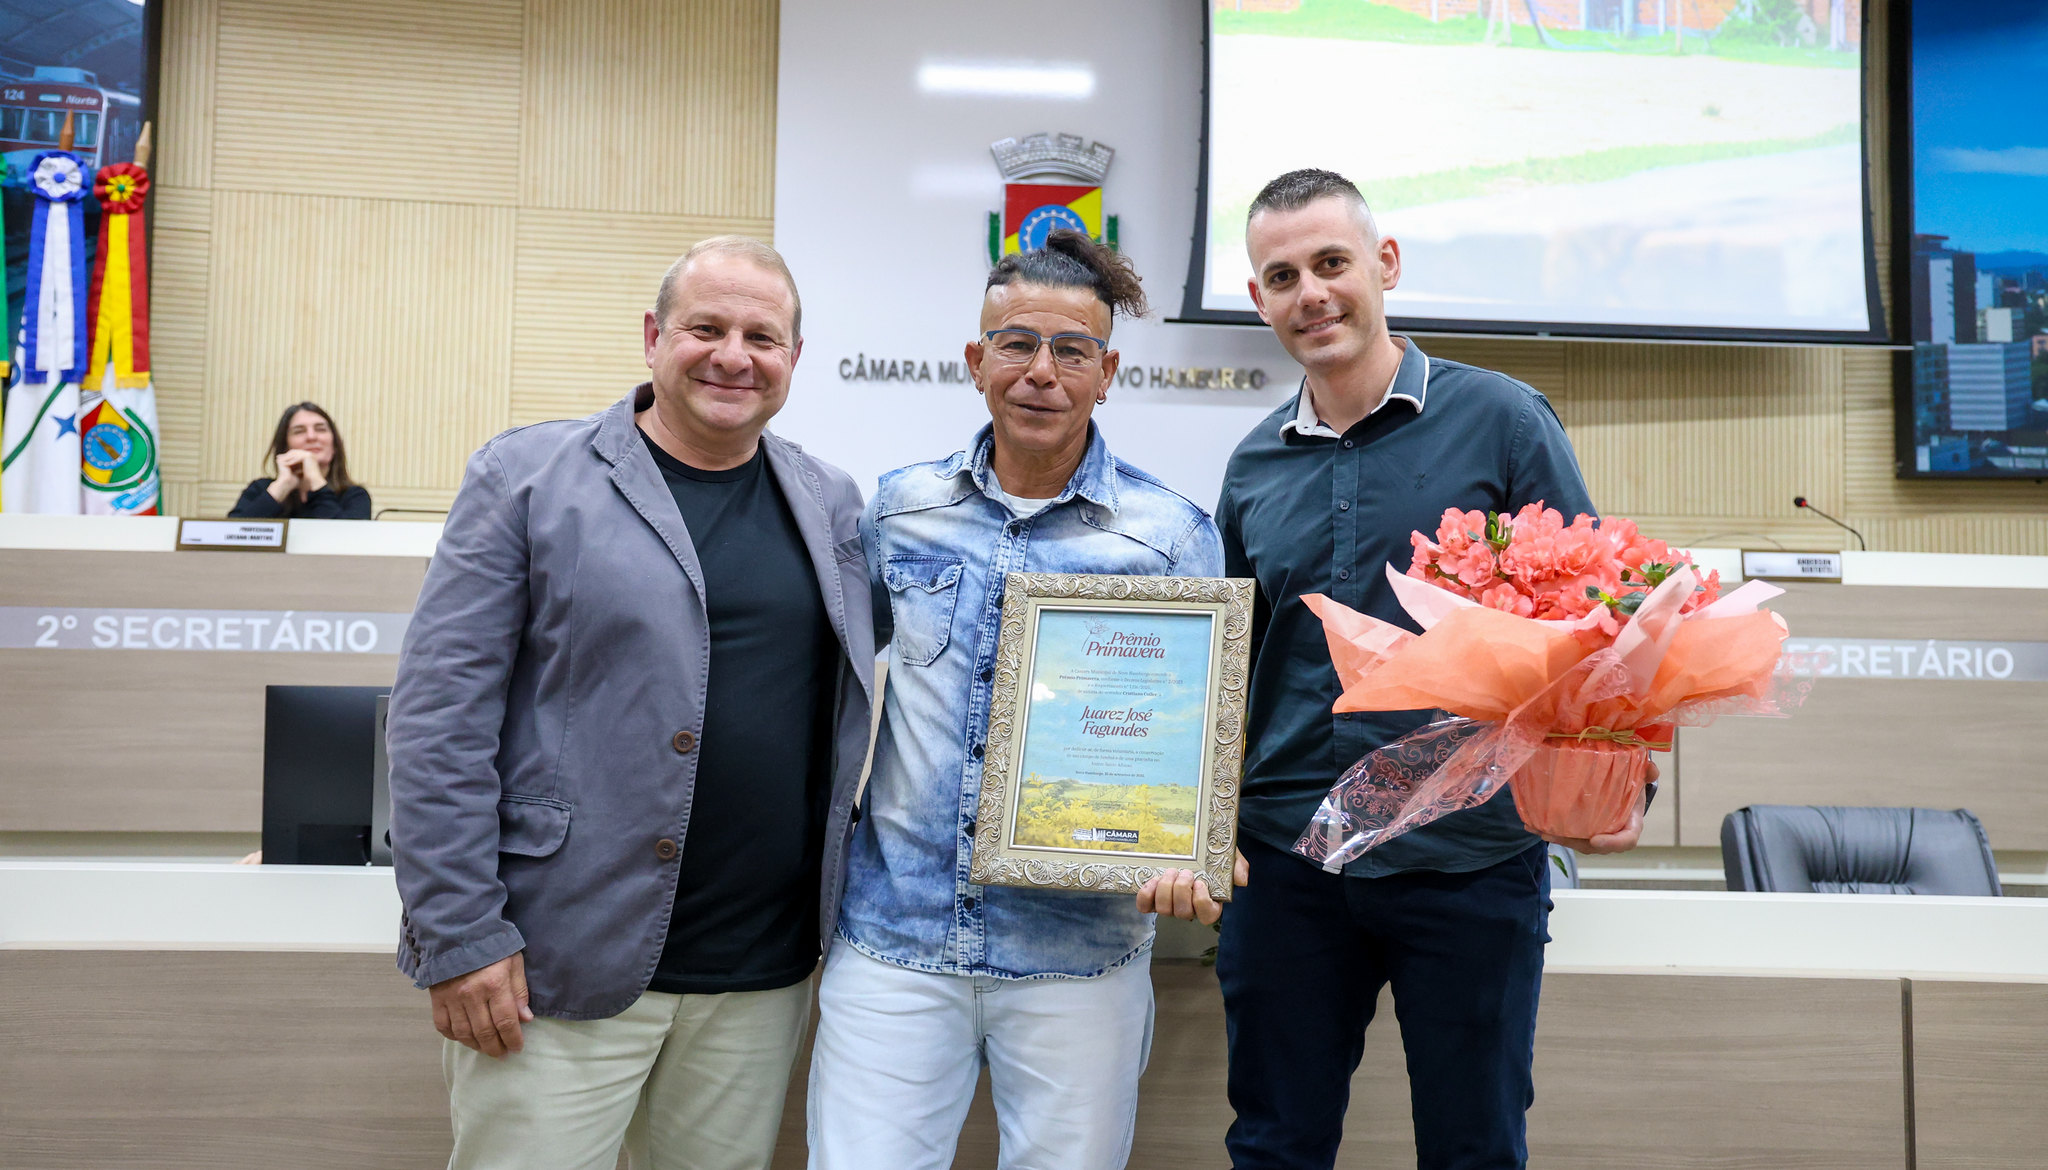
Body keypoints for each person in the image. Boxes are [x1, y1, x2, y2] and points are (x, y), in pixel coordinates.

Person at [386, 235, 874, 1170]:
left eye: (762, 337)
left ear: (795, 358)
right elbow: (437, 723)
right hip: (553, 962)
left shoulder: (831, 501)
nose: (734, 356)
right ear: (654, 336)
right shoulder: (527, 479)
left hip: (760, 974)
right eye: (706, 328)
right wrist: (459, 935)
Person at [1212, 169, 1652, 1170]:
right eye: (1282, 277)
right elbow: (1230, 668)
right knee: (1273, 1147)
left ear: (1385, 265)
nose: (1311, 293)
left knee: (1473, 1150)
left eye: (1331, 263)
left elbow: (1596, 618)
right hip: (1290, 865)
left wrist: (1620, 778)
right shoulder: (1249, 467)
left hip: (1470, 859)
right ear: (1259, 300)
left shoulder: (1502, 419)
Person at [806, 230, 1223, 1170]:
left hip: (1080, 953)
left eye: (1072, 351)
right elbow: (832, 678)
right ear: (976, 360)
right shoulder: (900, 510)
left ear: (1107, 373)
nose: (1042, 371)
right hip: (897, 938)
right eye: (1017, 344)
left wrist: (1192, 843)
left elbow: (1197, 734)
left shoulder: (1168, 538)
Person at [228, 402, 372, 518]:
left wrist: (316, 481)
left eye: (320, 429)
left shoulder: (355, 496)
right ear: (285, 446)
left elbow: (345, 538)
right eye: (299, 431)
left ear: (334, 446)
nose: (311, 437)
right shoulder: (260, 489)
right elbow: (232, 535)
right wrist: (281, 487)